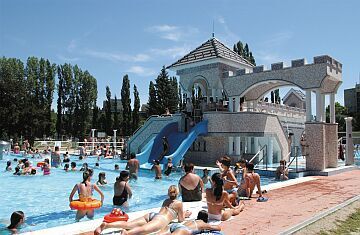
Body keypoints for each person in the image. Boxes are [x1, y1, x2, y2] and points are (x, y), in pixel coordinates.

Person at [94, 185, 190, 235]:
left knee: (128, 224)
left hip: (153, 215)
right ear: (177, 194)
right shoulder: (179, 203)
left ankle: (106, 225)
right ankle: (126, 233)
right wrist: (185, 214)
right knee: (143, 230)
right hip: (161, 220)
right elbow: (181, 220)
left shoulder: (166, 200)